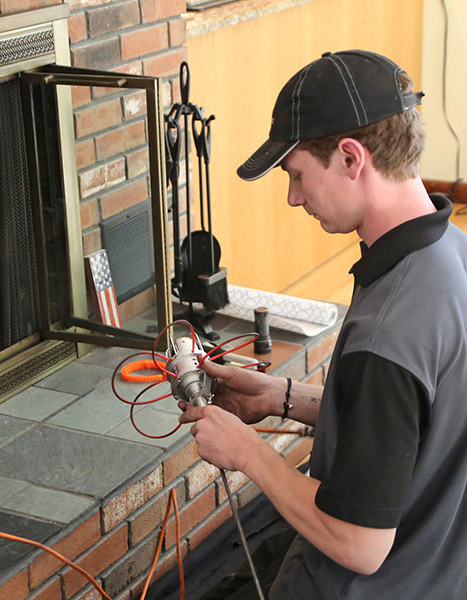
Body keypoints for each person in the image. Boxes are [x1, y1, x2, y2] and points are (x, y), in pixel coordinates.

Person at [179, 49, 467, 599]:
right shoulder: (451, 255)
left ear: (351, 157)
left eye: (297, 175)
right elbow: (413, 423)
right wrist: (282, 396)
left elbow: (358, 543)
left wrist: (248, 452)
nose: (292, 197)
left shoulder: (389, 332)